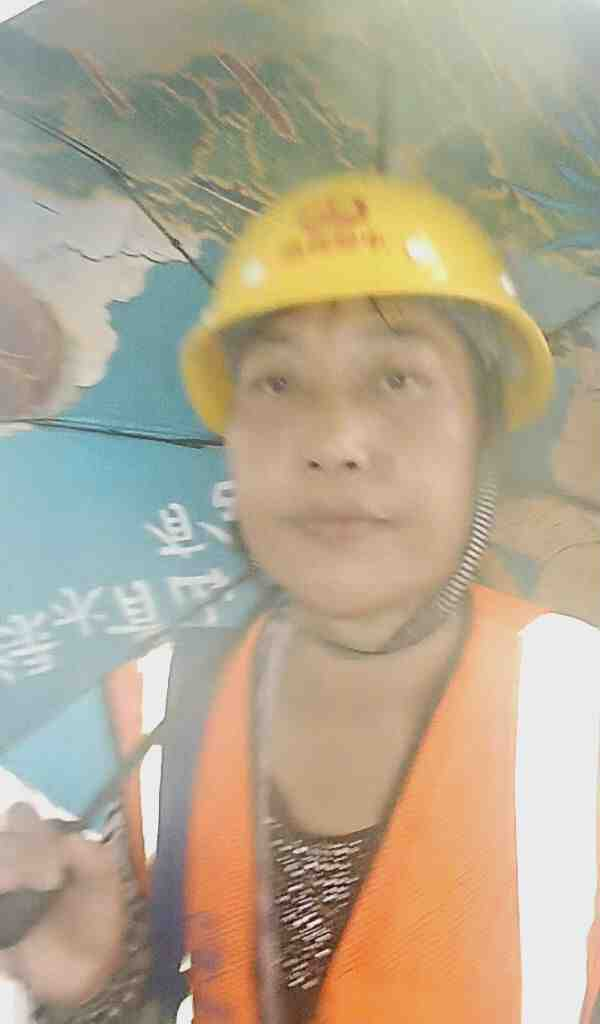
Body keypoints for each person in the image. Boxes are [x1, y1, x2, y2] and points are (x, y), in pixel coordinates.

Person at [1, 172, 599, 1023]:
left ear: (484, 433)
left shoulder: (585, 710)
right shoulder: (156, 707)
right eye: (278, 382)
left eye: (398, 378)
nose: (335, 441)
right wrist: (96, 987)